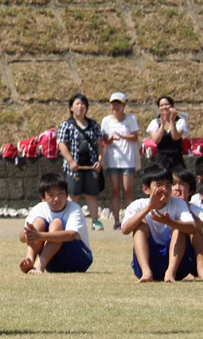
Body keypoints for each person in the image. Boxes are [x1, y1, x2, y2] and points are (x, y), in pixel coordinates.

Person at [122, 163, 200, 282]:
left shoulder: (178, 204)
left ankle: (170, 272)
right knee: (140, 225)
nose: (165, 190)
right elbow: (125, 229)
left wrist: (169, 222)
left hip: (178, 265)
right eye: (159, 185)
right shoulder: (138, 205)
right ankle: (146, 272)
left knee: (179, 227)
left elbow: (193, 228)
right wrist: (149, 208)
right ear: (146, 189)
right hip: (150, 257)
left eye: (168, 185)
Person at [19, 171, 93, 274]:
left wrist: (40, 235)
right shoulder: (38, 209)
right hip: (53, 262)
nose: (57, 199)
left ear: (67, 194)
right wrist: (28, 234)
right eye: (51, 195)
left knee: (57, 223)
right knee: (38, 222)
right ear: (42, 197)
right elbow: (22, 237)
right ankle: (30, 259)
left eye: (61, 194)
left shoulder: (74, 208)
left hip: (78, 258)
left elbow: (71, 235)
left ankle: (39, 265)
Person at [55, 93, 104, 229]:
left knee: (91, 194)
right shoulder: (66, 125)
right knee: (73, 194)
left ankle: (95, 220)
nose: (80, 107)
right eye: (77, 104)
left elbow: (99, 143)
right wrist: (71, 161)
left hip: (91, 165)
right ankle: (71, 221)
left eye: (83, 104)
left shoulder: (93, 124)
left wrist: (99, 160)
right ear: (71, 107)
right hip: (74, 166)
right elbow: (62, 144)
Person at [101, 92, 140, 230]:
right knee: (115, 191)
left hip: (128, 159)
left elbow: (135, 136)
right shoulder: (106, 120)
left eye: (118, 104)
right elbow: (105, 139)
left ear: (123, 106)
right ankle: (117, 220)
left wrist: (123, 136)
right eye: (113, 104)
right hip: (113, 159)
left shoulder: (130, 119)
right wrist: (111, 140)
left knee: (128, 190)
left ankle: (131, 219)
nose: (115, 107)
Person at [146, 95, 188, 171]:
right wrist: (162, 125)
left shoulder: (180, 121)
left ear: (172, 106)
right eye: (161, 105)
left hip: (176, 157)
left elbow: (175, 137)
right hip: (161, 158)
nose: (164, 107)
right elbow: (156, 140)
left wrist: (172, 121)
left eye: (167, 104)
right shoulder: (155, 122)